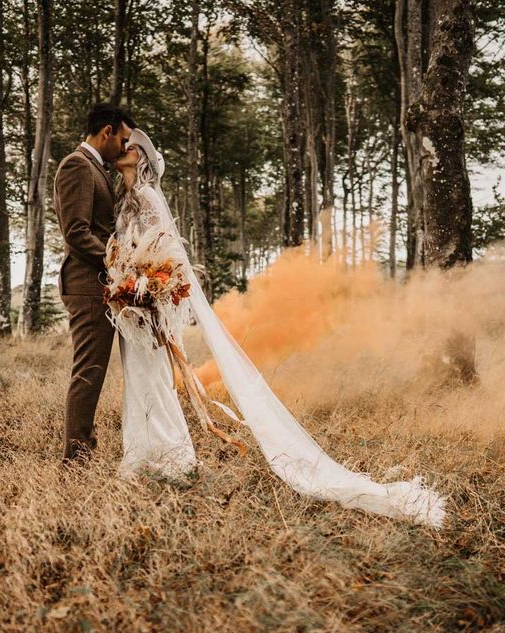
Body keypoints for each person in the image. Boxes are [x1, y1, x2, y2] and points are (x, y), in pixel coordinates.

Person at [107, 127, 447, 528]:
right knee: (144, 379)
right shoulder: (126, 198)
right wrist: (124, 283)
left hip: (152, 302)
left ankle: (168, 458)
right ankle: (150, 455)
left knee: (155, 380)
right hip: (134, 305)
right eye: (123, 144)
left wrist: (149, 287)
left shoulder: (147, 197)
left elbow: (165, 252)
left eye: (130, 147)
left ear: (142, 158)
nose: (123, 150)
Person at [53, 104, 135, 463]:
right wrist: (120, 264)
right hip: (87, 285)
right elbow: (77, 233)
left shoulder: (95, 169)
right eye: (122, 138)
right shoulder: (76, 165)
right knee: (89, 370)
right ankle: (77, 455)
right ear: (107, 132)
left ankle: (84, 446)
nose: (123, 146)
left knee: (94, 370)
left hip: (102, 282)